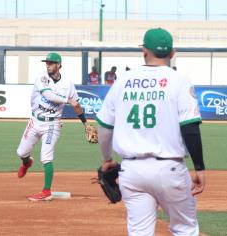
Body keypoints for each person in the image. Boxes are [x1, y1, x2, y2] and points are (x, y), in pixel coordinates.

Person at [95, 28, 205, 235]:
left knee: (139, 232)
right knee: (185, 229)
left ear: (144, 51)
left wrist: (107, 158)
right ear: (172, 53)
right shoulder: (179, 80)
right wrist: (199, 167)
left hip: (132, 171)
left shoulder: (123, 81)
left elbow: (105, 126)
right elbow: (190, 127)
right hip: (170, 169)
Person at [16, 52, 91, 201]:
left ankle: (46, 191)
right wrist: (67, 100)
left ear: (59, 65)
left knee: (46, 156)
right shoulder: (42, 77)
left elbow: (77, 105)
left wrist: (86, 123)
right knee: (21, 152)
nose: (48, 65)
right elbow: (48, 95)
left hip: (52, 123)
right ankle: (27, 162)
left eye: (51, 63)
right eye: (47, 63)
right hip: (35, 121)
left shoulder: (68, 84)